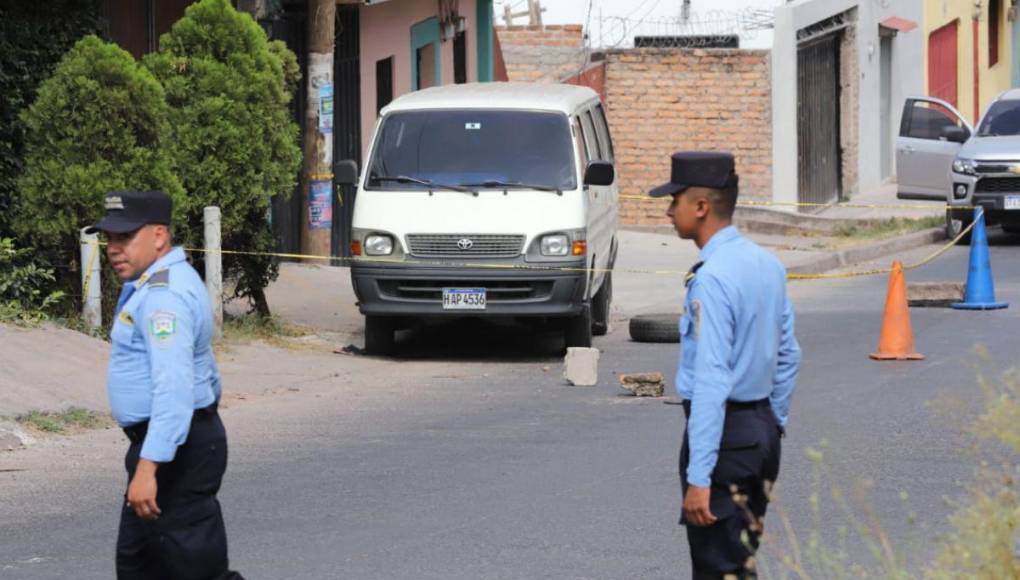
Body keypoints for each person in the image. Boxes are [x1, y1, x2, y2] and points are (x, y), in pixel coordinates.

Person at [648, 153, 801, 578]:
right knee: (740, 563)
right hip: (760, 434)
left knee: (718, 568)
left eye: (674, 199)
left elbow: (711, 378)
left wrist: (700, 477)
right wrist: (772, 423)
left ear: (700, 206)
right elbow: (789, 355)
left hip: (727, 441)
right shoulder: (766, 264)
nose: (667, 210)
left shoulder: (712, 279)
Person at [86, 191, 244, 580]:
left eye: (125, 238)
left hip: (175, 451)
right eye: (110, 239)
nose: (114, 249)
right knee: (142, 564)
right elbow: (204, 368)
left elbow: (174, 389)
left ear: (159, 237)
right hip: (177, 440)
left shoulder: (163, 298)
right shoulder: (160, 282)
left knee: (193, 569)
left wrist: (148, 467)